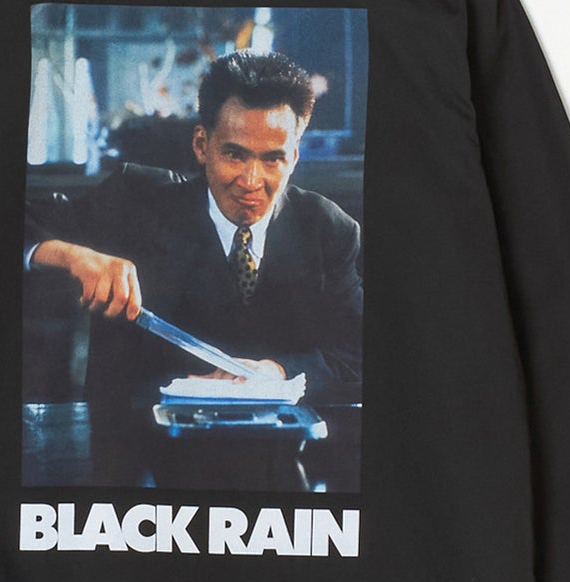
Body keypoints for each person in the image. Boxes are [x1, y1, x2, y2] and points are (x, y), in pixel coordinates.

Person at [24, 51, 363, 450]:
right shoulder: (135, 201)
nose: (251, 181)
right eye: (234, 154)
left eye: (274, 159)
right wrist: (72, 255)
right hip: (139, 453)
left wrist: (277, 369)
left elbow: (356, 351)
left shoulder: (329, 229)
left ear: (295, 156)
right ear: (202, 144)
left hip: (283, 460)